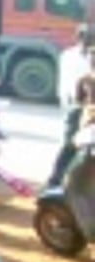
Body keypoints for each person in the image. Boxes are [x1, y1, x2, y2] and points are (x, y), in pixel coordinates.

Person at [47, 46, 95, 188]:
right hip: (86, 122)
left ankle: (56, 180)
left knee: (70, 150)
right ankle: (56, 180)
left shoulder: (84, 79)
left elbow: (79, 100)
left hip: (85, 121)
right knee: (71, 150)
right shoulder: (85, 79)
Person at [57, 24, 91, 108]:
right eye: (83, 37)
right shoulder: (67, 55)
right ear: (78, 38)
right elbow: (64, 78)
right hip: (73, 101)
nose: (86, 40)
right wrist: (63, 96)